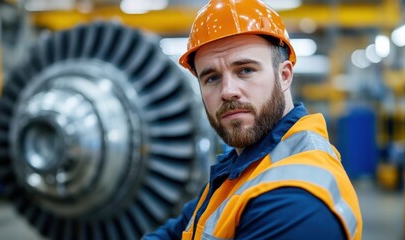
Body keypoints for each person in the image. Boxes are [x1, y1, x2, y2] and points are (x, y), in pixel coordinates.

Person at [143, 0, 363, 239]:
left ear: (285, 75)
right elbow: (176, 232)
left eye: (245, 70)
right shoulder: (240, 168)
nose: (228, 91)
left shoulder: (294, 202)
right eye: (212, 78)